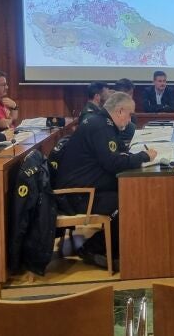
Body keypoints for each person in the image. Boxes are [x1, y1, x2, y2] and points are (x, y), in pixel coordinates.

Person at [54, 92, 157, 269]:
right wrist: (143, 156)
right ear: (120, 111)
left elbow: (117, 154)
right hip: (77, 195)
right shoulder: (101, 127)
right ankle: (93, 248)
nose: (130, 119)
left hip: (87, 186)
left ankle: (118, 247)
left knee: (131, 193)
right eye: (129, 114)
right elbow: (113, 163)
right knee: (129, 202)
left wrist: (133, 156)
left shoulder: (102, 122)